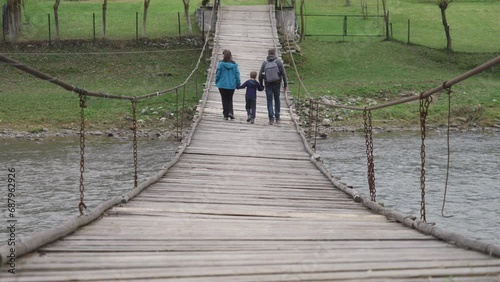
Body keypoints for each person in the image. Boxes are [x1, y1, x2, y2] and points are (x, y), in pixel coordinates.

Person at [259, 48, 287, 125]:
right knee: (277, 99)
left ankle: (271, 118)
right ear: (275, 54)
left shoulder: (265, 63)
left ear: (268, 54)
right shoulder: (278, 62)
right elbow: (283, 74)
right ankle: (277, 117)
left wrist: (261, 84)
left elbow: (260, 75)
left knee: (269, 100)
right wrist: (285, 84)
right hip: (277, 83)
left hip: (268, 84)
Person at [215, 49, 241, 120]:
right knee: (230, 98)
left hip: (222, 84)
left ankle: (225, 115)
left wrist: (216, 81)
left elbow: (218, 74)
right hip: (231, 85)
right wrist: (238, 83)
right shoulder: (234, 65)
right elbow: (237, 75)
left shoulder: (220, 64)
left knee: (224, 99)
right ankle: (230, 112)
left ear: (223, 56)